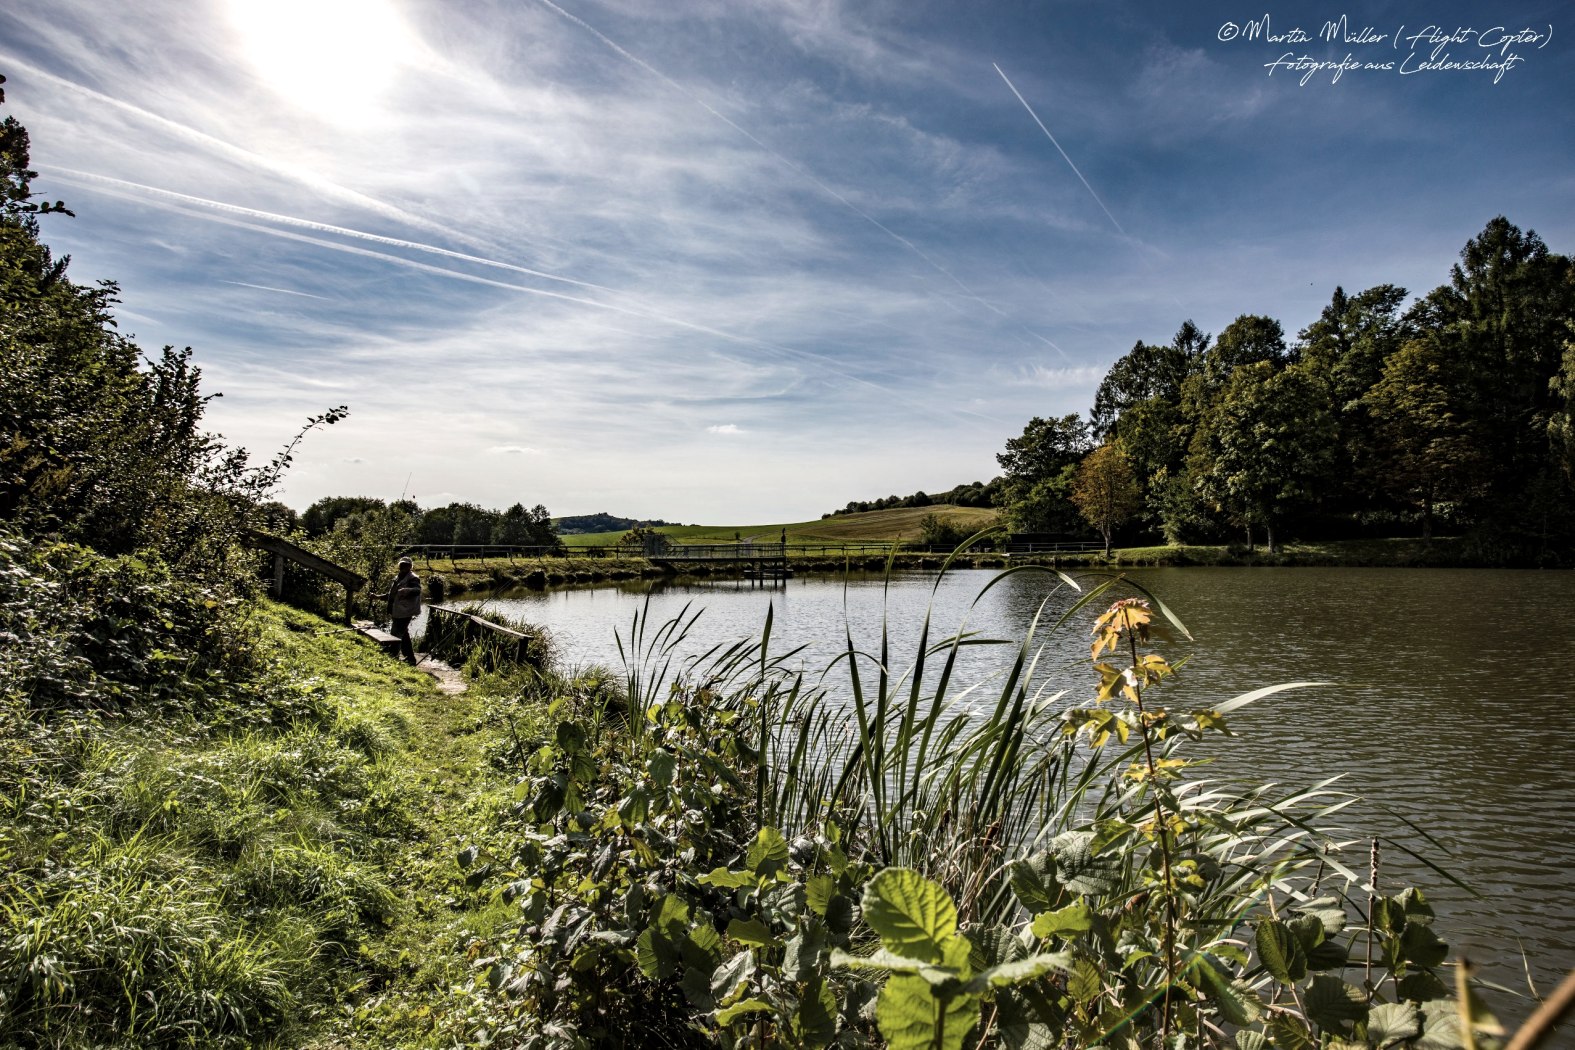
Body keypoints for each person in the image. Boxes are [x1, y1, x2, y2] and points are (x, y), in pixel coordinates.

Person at [386, 556, 422, 664]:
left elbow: (417, 590)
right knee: (404, 635)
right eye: (402, 565)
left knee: (396, 633)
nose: (404, 567)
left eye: (406, 565)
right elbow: (392, 595)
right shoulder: (398, 578)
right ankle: (410, 658)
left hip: (405, 611)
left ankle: (393, 656)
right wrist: (377, 597)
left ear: (410, 567)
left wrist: (406, 590)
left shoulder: (413, 578)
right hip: (397, 611)